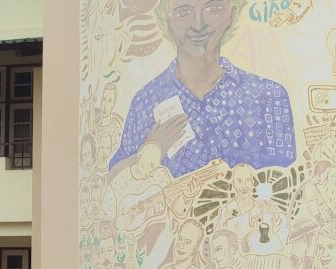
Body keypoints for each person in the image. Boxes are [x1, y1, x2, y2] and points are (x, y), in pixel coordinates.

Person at [108, 0, 295, 179]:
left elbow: (287, 187)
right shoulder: (145, 102)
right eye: (183, 12)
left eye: (213, 8)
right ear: (168, 20)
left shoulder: (269, 96)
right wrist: (151, 149)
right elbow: (111, 184)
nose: (198, 25)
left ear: (231, 13)